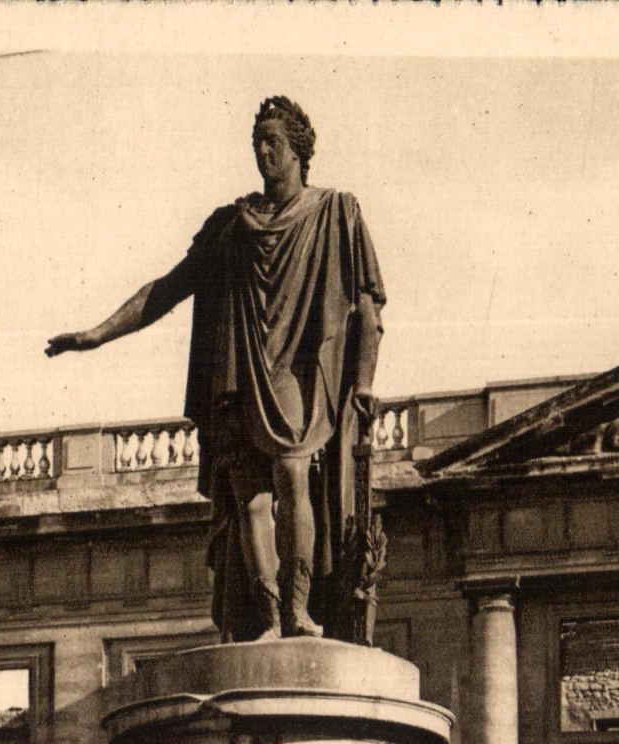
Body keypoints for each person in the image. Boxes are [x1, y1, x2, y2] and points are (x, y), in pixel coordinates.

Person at [46, 96, 385, 643]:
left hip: (294, 371)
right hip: (236, 375)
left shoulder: (334, 212)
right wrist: (96, 335)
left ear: (298, 150)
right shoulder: (231, 224)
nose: (262, 151)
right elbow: (166, 288)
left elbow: (368, 309)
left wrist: (364, 381)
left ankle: (298, 610)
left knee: (294, 473)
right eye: (257, 141)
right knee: (249, 497)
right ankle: (271, 619)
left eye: (273, 141)